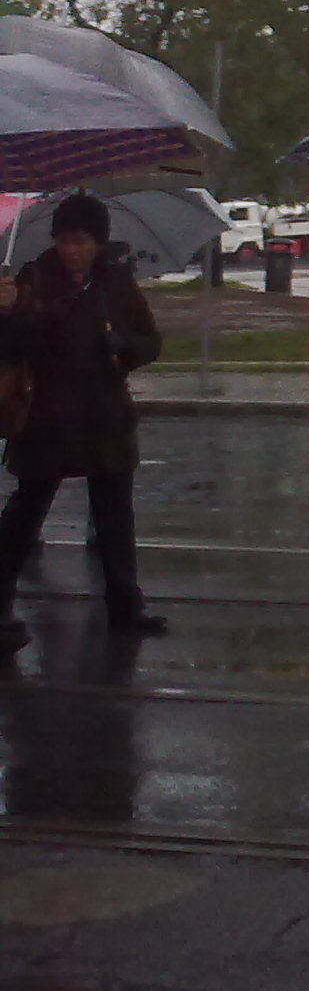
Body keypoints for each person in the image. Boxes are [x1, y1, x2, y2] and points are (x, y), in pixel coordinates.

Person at [0, 193, 166, 650]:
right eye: (65, 240)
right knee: (25, 513)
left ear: (99, 241)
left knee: (114, 516)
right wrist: (12, 310)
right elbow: (12, 346)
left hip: (104, 416)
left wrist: (125, 347)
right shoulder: (35, 278)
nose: (72, 250)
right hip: (48, 419)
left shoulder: (116, 281)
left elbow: (150, 341)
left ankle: (125, 608)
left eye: (82, 241)